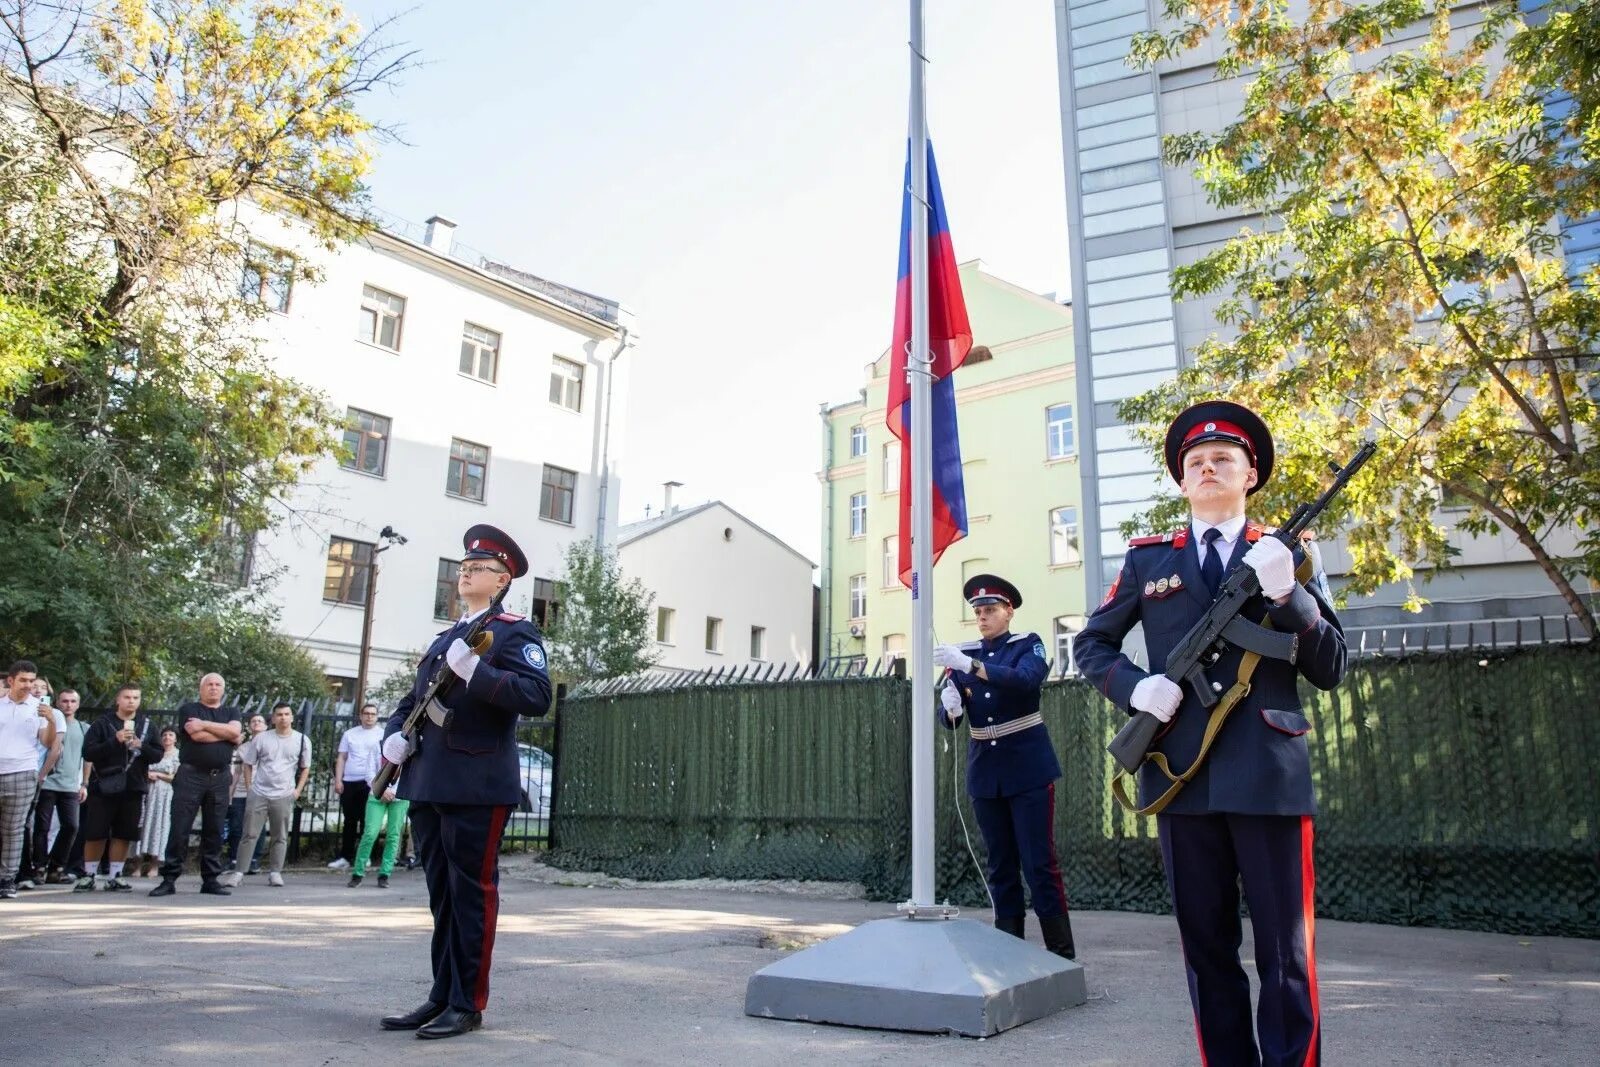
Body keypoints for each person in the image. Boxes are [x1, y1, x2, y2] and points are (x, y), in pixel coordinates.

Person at [1074, 401, 1348, 1067]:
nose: (1207, 467)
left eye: (1223, 458)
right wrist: (1137, 687)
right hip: (1179, 775)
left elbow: (1332, 665)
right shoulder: (1147, 561)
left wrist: (1292, 598)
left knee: (1285, 954)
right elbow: (1092, 646)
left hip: (1267, 776)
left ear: (1250, 473)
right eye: (1194, 461)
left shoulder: (1289, 553)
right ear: (1181, 481)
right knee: (1207, 950)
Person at [378, 524, 552, 1039]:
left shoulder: (514, 632)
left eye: (477, 569)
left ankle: (467, 1002)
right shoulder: (446, 637)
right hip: (428, 779)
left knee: (471, 893)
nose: (465, 573)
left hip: (476, 783)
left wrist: (478, 672)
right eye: (463, 568)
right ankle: (440, 994)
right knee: (441, 895)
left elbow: (536, 695)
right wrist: (393, 736)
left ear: (500, 581)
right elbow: (415, 701)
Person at [932, 575, 1075, 960]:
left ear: (1008, 610)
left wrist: (971, 666)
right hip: (986, 769)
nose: (982, 617)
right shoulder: (962, 654)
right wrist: (950, 708)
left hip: (1027, 765)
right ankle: (1010, 954)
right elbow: (948, 719)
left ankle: (1061, 955)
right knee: (1000, 866)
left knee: (1039, 863)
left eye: (990, 610)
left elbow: (1026, 681)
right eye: (978, 612)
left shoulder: (1028, 644)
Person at [151, 673, 242, 897]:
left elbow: (235, 732)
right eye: (209, 684)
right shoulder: (189, 709)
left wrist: (206, 725)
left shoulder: (232, 712)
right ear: (201, 688)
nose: (213, 688)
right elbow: (196, 735)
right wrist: (226, 734)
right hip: (191, 776)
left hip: (219, 777)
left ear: (223, 689)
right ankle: (169, 879)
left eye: (218, 684)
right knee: (180, 827)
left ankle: (210, 880)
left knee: (215, 829)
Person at [76, 684, 164, 892]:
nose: (131, 701)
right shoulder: (102, 723)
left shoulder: (147, 725)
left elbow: (158, 755)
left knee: (124, 833)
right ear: (118, 699)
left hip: (133, 786)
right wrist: (113, 741)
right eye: (127, 697)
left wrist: (141, 746)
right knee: (96, 832)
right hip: (104, 786)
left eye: (135, 697)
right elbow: (88, 752)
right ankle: (89, 874)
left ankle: (115, 875)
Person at [217, 702, 310, 889]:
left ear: (292, 717)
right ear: (273, 718)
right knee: (249, 834)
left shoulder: (301, 740)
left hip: (284, 794)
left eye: (286, 714)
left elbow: (305, 767)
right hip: (259, 792)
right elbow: (248, 763)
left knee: (280, 835)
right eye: (279, 714)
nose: (283, 717)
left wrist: (297, 790)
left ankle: (275, 872)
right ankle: (238, 873)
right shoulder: (261, 739)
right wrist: (250, 788)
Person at [1, 661, 57, 899]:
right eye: (23, 680)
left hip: (23, 771)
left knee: (13, 830)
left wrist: (52, 720)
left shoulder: (39, 708)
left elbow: (47, 741)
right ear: (11, 681)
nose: (28, 685)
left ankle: (7, 879)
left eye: (31, 681)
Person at [32, 686, 87, 885]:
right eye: (64, 701)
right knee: (42, 827)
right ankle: (38, 867)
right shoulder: (49, 722)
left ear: (78, 704)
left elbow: (87, 758)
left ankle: (56, 866)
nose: (68, 705)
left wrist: (84, 783)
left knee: (71, 826)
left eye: (72, 701)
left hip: (71, 785)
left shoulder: (83, 728)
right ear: (57, 703)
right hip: (48, 782)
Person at [17, 676, 65, 889]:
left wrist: (41, 774)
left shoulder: (53, 714)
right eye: (33, 685)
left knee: (24, 824)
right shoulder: (17, 708)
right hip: (12, 770)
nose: (36, 689)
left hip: (34, 773)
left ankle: (27, 871)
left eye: (42, 687)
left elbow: (54, 747)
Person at [330, 703, 384, 871]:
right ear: (360, 715)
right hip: (350, 780)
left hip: (370, 782)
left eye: (373, 714)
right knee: (349, 821)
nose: (369, 716)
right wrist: (338, 780)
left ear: (377, 716)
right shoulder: (350, 734)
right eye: (366, 713)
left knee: (368, 821)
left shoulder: (382, 734)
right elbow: (342, 758)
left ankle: (365, 856)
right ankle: (346, 856)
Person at [347, 769, 408, 889]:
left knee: (393, 835)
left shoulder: (408, 750)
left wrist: (394, 791)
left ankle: (384, 874)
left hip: (400, 795)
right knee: (370, 834)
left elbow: (410, 772)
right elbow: (369, 773)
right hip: (377, 794)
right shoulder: (377, 748)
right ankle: (358, 873)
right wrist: (383, 790)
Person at [225, 713, 270, 874]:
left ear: (266, 726)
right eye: (253, 721)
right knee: (236, 826)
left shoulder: (271, 745)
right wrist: (231, 792)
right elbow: (237, 772)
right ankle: (234, 858)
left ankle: (254, 859)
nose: (256, 723)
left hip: (261, 791)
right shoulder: (243, 748)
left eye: (260, 720)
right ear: (250, 726)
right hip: (241, 791)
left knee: (257, 827)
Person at [137, 728, 181, 877]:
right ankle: (137, 863)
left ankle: (154, 864)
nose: (167, 737)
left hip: (164, 794)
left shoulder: (177, 754)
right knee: (142, 825)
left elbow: (177, 777)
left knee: (159, 826)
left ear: (175, 739)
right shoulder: (154, 753)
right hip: (148, 791)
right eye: (164, 735)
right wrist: (147, 775)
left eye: (170, 735)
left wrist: (159, 775)